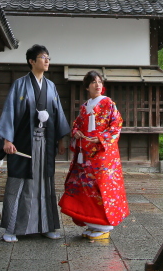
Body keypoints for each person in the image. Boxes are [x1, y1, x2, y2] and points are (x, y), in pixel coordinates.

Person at [0, 44, 70, 242]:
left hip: (45, 142)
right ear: (31, 61)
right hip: (22, 142)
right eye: (43, 57)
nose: (47, 61)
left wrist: (61, 140)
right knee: (18, 182)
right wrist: (7, 140)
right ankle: (11, 229)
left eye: (48, 57)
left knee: (44, 182)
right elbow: (10, 111)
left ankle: (46, 225)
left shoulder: (51, 86)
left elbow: (57, 114)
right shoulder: (19, 85)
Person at [59, 70, 129, 240]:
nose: (97, 85)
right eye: (93, 82)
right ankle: (92, 223)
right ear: (87, 87)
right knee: (86, 188)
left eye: (99, 81)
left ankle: (104, 225)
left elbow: (116, 125)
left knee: (102, 188)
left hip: (103, 154)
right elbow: (77, 124)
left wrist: (100, 138)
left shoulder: (108, 103)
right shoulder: (85, 106)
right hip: (86, 154)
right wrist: (76, 133)